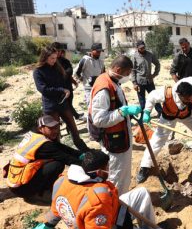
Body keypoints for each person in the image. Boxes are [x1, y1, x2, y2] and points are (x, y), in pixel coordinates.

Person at [30, 150, 171, 229]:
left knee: (141, 193)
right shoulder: (97, 198)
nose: (109, 170)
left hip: (111, 211)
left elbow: (57, 208)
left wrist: (47, 225)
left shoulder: (62, 181)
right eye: (107, 167)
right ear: (98, 172)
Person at [89, 55, 142, 194]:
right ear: (118, 69)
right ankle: (117, 205)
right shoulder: (104, 88)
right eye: (127, 73)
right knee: (116, 176)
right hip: (113, 141)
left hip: (120, 136)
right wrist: (122, 112)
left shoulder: (113, 81)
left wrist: (127, 112)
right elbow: (99, 119)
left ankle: (120, 200)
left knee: (122, 174)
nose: (128, 77)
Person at [6, 115, 83, 204]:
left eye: (56, 127)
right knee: (57, 164)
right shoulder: (44, 145)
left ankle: (40, 189)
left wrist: (81, 154)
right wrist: (90, 164)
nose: (56, 131)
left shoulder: (34, 135)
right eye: (51, 128)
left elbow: (61, 147)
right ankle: (41, 193)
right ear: (41, 128)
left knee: (53, 161)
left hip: (17, 180)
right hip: (22, 188)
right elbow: (68, 159)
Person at [33, 46, 89, 152]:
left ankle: (85, 150)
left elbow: (63, 80)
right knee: (54, 133)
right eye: (52, 58)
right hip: (50, 106)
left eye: (55, 58)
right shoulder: (38, 71)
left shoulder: (57, 66)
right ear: (45, 58)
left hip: (63, 103)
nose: (55, 60)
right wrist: (61, 90)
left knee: (73, 128)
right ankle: (59, 155)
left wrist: (66, 91)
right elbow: (43, 89)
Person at [51, 42, 84, 121]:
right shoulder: (51, 62)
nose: (58, 53)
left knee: (68, 105)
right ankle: (75, 117)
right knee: (64, 107)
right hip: (57, 90)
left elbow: (69, 72)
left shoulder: (65, 61)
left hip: (68, 87)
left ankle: (73, 119)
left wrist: (72, 81)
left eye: (59, 51)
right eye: (56, 51)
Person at [131, 40, 162, 116]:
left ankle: (160, 112)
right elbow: (132, 70)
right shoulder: (134, 57)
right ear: (137, 48)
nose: (142, 49)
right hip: (139, 82)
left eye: (143, 47)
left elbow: (157, 64)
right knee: (142, 100)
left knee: (155, 97)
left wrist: (154, 74)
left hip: (149, 81)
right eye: (141, 48)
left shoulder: (150, 55)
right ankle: (143, 115)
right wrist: (134, 83)